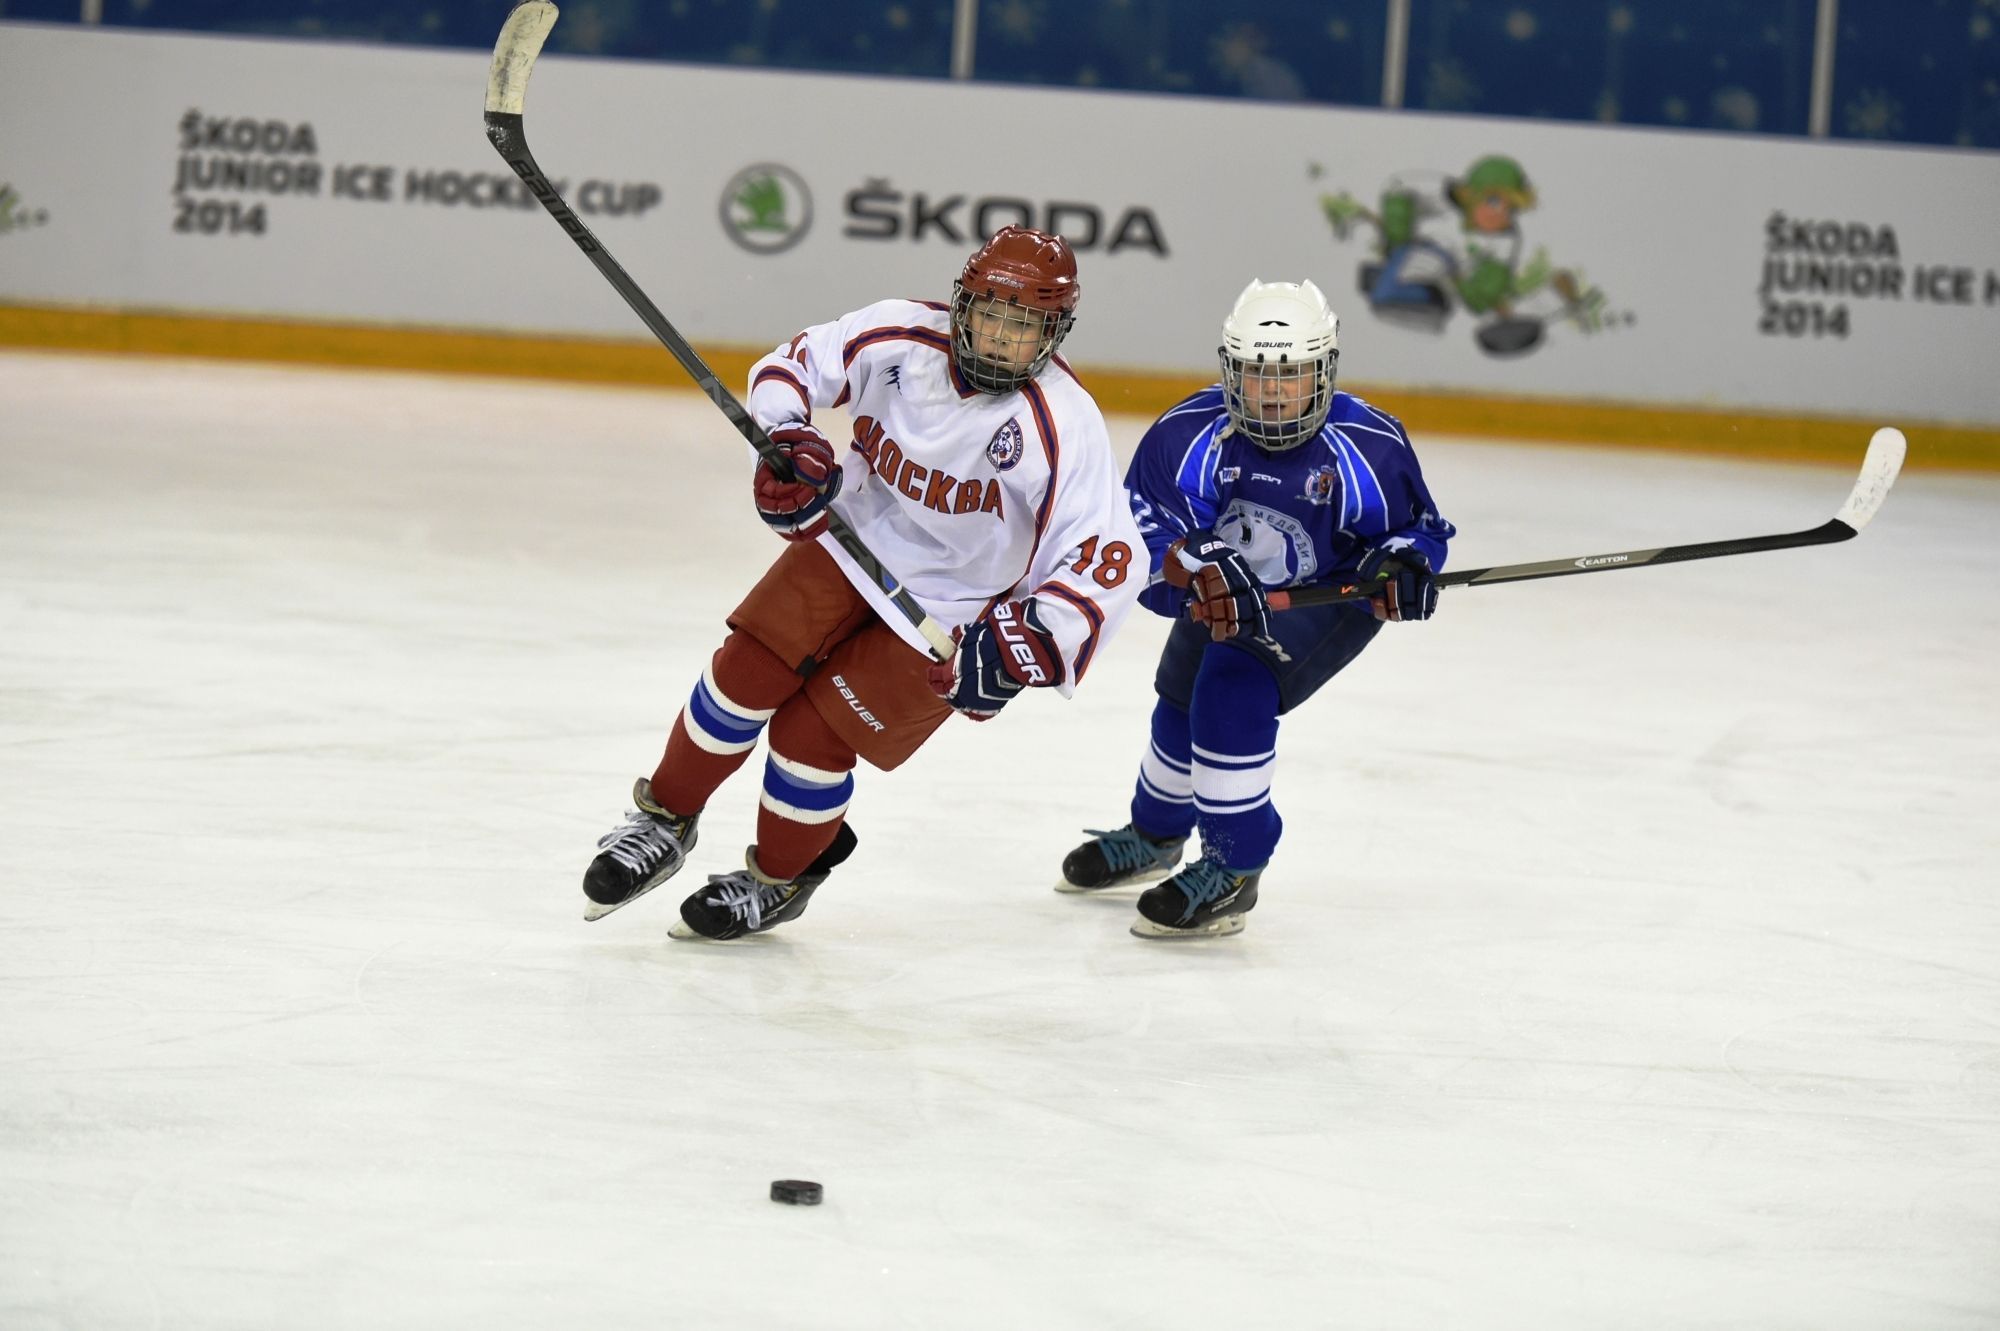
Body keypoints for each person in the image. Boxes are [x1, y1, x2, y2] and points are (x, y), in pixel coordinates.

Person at [583, 225, 1145, 940]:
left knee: (810, 735)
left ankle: (780, 878)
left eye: (1024, 324)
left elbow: (1107, 556)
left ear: (1054, 333)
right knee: (743, 673)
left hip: (951, 607)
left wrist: (1032, 637)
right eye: (991, 313)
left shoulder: (1063, 422)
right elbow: (794, 365)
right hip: (854, 539)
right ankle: (662, 820)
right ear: (961, 304)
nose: (1002, 336)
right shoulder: (900, 337)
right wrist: (789, 437)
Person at [1057, 278, 1455, 939]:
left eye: (1291, 375)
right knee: (1178, 694)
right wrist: (1194, 566)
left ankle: (1236, 867)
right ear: (1229, 371)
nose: (1271, 392)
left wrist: (1407, 563)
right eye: (1255, 374)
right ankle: (1156, 833)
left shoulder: (1369, 445)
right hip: (1219, 594)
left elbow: (1418, 530)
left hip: (1325, 597)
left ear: (1324, 371)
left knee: (1231, 687)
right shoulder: (1189, 434)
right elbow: (1143, 531)